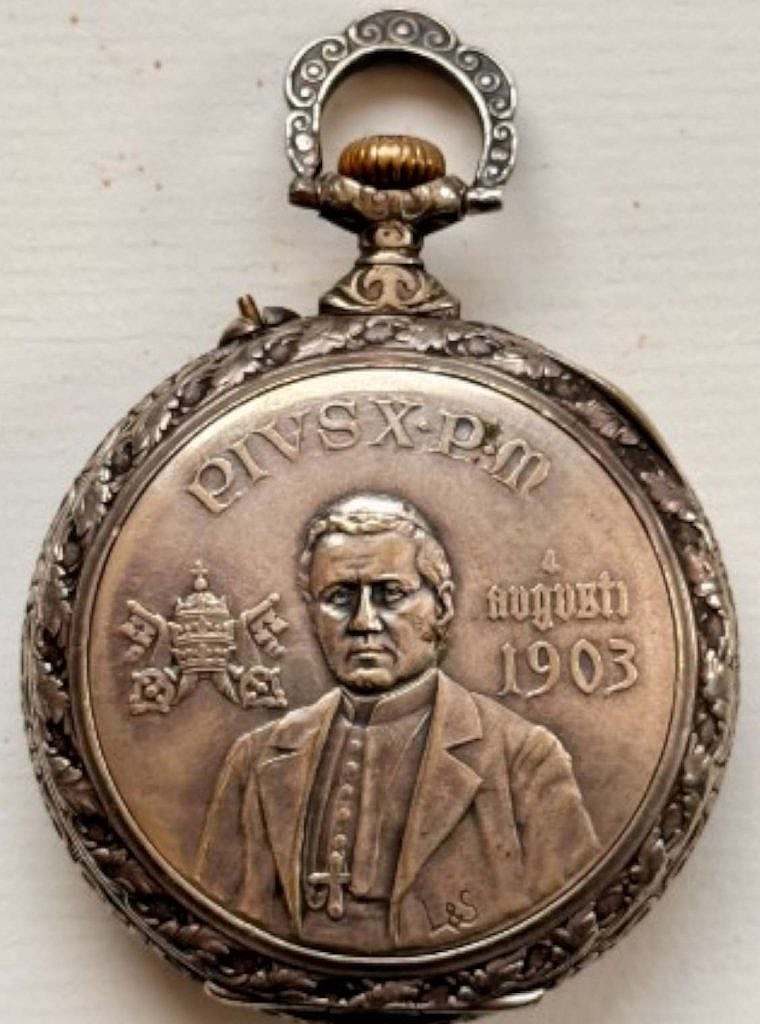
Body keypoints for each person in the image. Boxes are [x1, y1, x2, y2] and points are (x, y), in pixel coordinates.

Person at [194, 493, 599, 953]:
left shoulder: (522, 758)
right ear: (312, 613)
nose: (363, 622)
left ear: (441, 607)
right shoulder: (256, 758)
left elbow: (569, 913)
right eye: (339, 598)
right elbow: (214, 923)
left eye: (391, 594)